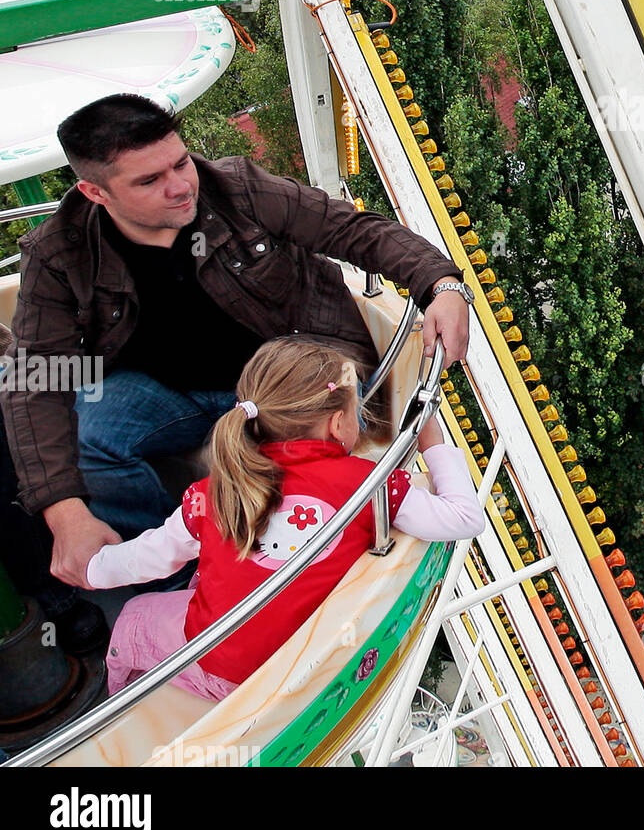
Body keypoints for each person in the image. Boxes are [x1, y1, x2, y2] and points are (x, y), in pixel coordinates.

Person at [0, 94, 474, 600]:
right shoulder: (60, 253)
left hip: (286, 376)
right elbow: (35, 378)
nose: (181, 186)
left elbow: (351, 230)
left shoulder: (238, 189)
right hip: (166, 391)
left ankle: (286, 579)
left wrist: (441, 284)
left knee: (301, 457)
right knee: (88, 432)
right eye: (149, 180)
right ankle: (178, 579)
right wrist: (63, 511)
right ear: (96, 192)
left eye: (180, 162)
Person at [86, 338, 486, 699]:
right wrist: (431, 437)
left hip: (223, 676)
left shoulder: (211, 493)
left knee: (136, 614)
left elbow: (146, 560)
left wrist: (93, 570)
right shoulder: (369, 484)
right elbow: (464, 518)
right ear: (337, 423)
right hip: (302, 679)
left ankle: (120, 692)